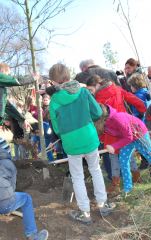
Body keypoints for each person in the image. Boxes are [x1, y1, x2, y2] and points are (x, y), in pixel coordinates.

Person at [48, 63, 115, 226]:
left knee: (77, 176)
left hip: (71, 143)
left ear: (54, 82)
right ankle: (103, 204)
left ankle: (84, 212)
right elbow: (98, 113)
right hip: (89, 137)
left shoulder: (54, 102)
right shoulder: (84, 92)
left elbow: (56, 128)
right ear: (69, 77)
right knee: (96, 170)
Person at [94, 103, 151, 195]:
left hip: (139, 134)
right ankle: (128, 188)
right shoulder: (104, 122)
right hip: (127, 138)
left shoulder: (117, 118)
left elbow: (129, 137)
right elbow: (101, 133)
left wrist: (114, 146)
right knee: (123, 161)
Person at [86, 75, 147, 191]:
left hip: (110, 130)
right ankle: (136, 176)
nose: (91, 93)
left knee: (113, 156)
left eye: (91, 90)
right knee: (128, 154)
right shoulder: (117, 89)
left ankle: (115, 183)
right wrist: (142, 110)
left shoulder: (97, 101)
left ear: (98, 86)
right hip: (125, 127)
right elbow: (132, 98)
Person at [0, 63, 39, 148]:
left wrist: (23, 119)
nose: (8, 77)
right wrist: (33, 78)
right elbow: (15, 81)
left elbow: (7, 106)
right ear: (2, 71)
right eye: (8, 74)